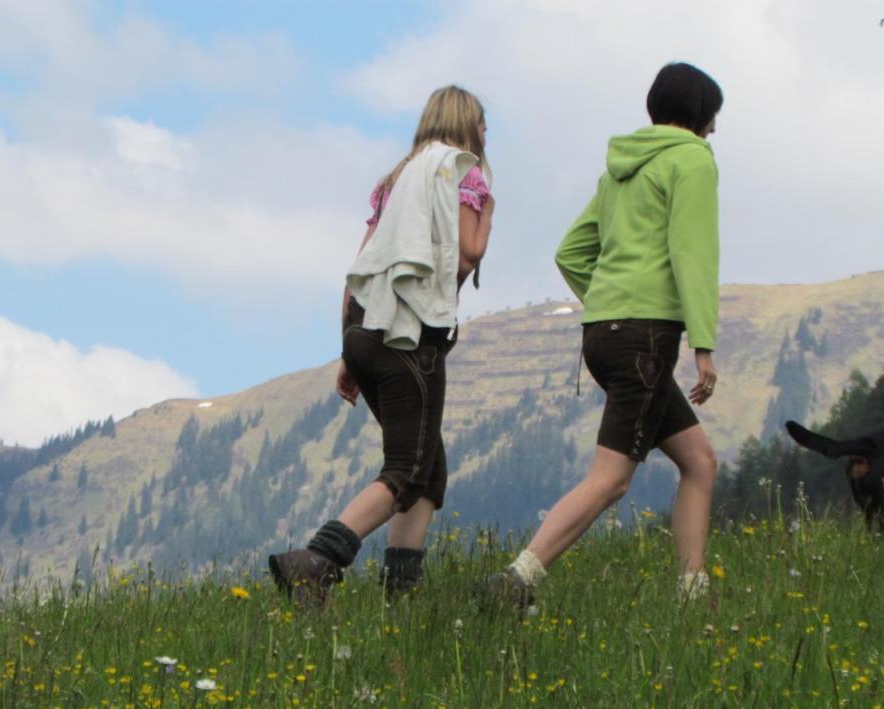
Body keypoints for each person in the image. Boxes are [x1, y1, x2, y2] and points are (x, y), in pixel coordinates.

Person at [490, 62, 722, 606]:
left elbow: (570, 251)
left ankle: (692, 593)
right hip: (646, 338)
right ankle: (516, 580)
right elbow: (694, 254)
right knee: (612, 479)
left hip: (603, 334)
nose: (715, 131)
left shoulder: (618, 169)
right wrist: (703, 344)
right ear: (700, 117)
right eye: (713, 119)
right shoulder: (692, 162)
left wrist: (608, 296)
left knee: (698, 462)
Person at [270, 85, 494, 605]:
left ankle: (402, 596)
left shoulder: (396, 180)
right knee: (407, 467)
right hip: (407, 335)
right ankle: (318, 559)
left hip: (362, 325)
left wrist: (348, 352)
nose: (486, 136)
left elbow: (359, 267)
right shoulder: (465, 175)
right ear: (466, 126)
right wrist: (488, 213)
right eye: (483, 125)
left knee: (428, 466)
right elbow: (465, 257)